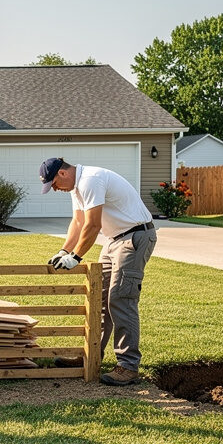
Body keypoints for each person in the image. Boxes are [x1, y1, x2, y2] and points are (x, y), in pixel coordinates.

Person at [39, 157, 157, 386]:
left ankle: (128, 366)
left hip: (135, 237)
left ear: (62, 174)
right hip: (114, 240)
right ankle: (90, 356)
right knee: (99, 299)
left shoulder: (90, 180)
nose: (54, 189)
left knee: (121, 299)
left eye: (53, 184)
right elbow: (78, 222)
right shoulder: (77, 188)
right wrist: (64, 250)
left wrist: (75, 257)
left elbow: (93, 225)